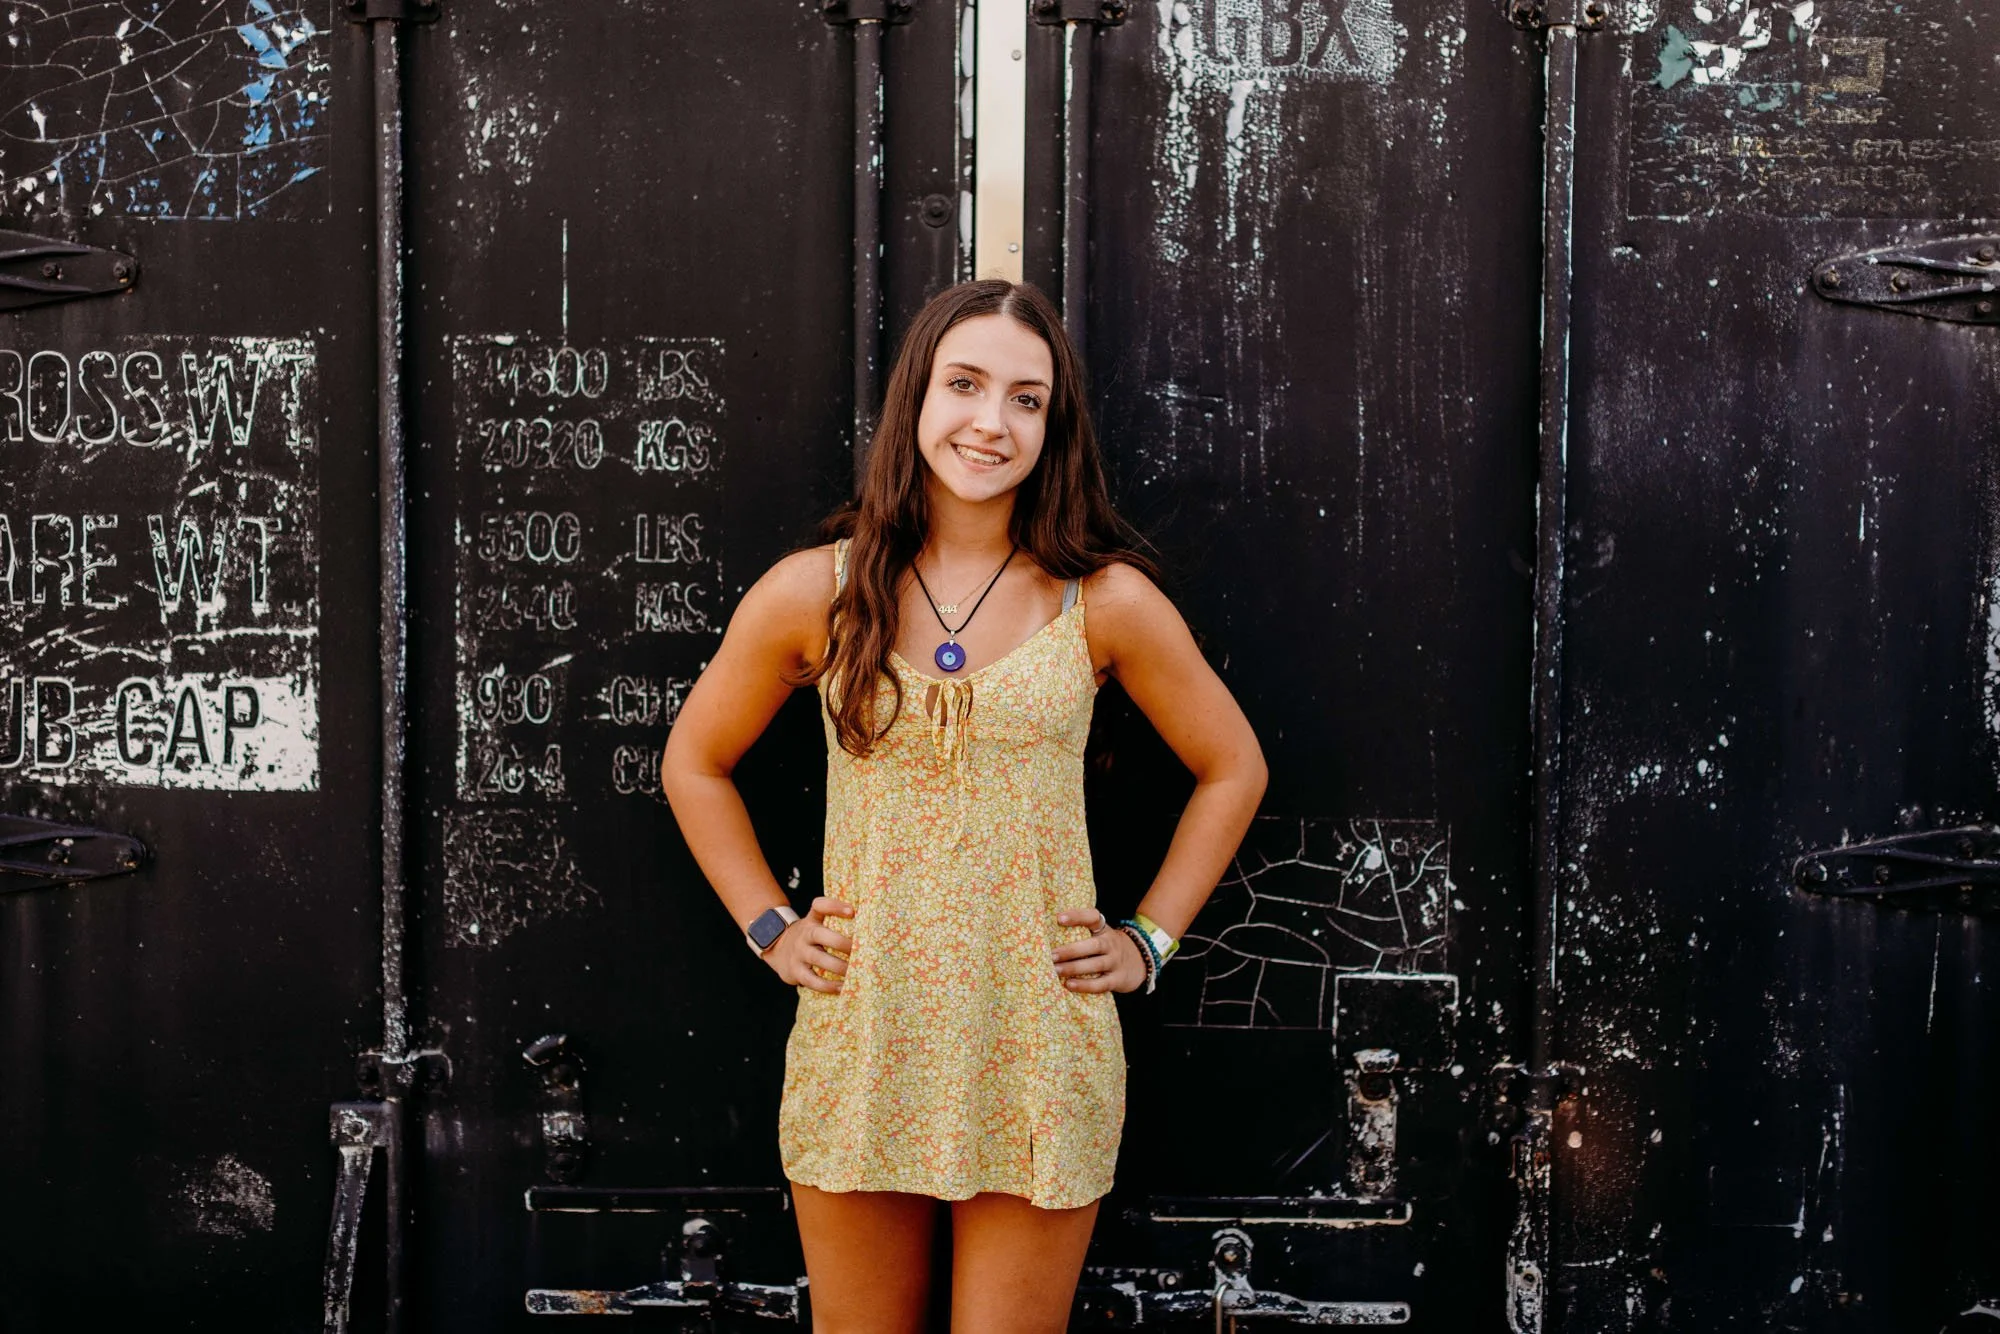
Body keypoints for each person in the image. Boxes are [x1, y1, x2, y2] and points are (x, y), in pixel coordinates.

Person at [659, 279, 1266, 1334]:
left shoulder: (1102, 600)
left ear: (1053, 426)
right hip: (868, 1035)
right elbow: (693, 761)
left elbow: (1233, 766)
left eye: (1026, 400)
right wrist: (769, 926)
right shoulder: (818, 591)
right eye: (966, 385)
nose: (991, 421)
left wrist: (1148, 940)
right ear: (916, 401)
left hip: (1035, 1039)